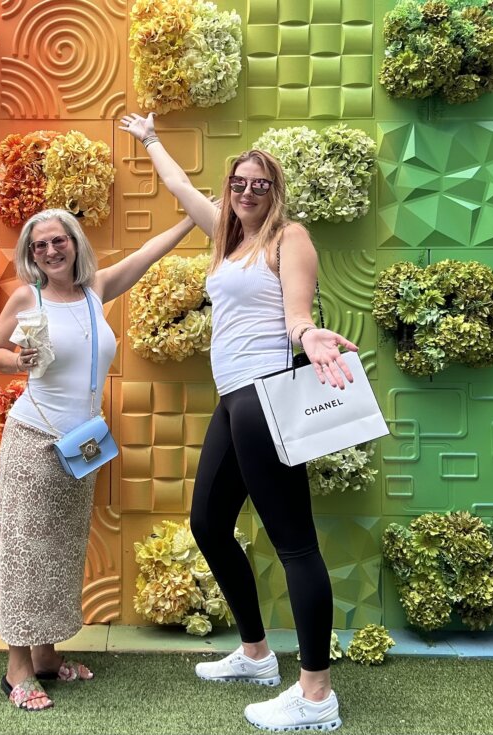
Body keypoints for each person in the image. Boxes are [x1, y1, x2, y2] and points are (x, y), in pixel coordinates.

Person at [120, 112, 357, 733]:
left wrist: (313, 338)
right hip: (232, 401)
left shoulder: (289, 239)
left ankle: (315, 696)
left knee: (296, 544)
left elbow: (296, 315)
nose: (247, 192)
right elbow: (181, 190)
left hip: (265, 394)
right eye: (239, 184)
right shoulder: (229, 243)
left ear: (275, 194)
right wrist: (150, 141)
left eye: (260, 184)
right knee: (207, 523)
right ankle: (255, 654)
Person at [0, 208, 195, 711]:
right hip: (34, 440)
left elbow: (145, 254)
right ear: (31, 255)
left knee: (61, 554)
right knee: (26, 554)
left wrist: (188, 220)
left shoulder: (96, 290)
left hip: (81, 445)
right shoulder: (28, 298)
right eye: (39, 246)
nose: (50, 251)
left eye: (58, 241)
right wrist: (17, 361)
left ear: (75, 242)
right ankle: (18, 667)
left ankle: (47, 657)